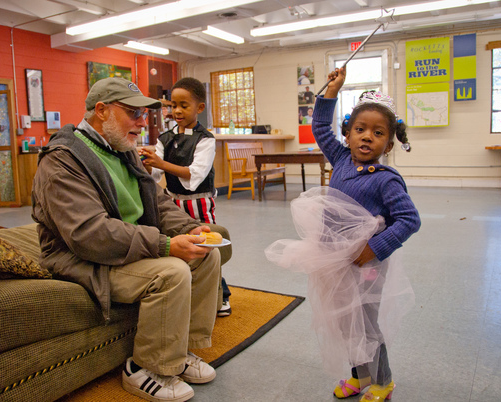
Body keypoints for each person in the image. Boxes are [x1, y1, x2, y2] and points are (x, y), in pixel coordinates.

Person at [31, 77, 221, 402]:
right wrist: (164, 245)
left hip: (126, 247)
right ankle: (146, 369)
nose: (141, 122)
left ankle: (179, 350)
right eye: (133, 113)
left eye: (143, 114)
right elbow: (89, 234)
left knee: (207, 254)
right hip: (85, 258)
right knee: (173, 271)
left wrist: (189, 228)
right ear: (102, 111)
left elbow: (158, 203)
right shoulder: (62, 160)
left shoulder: (123, 150)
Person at [265, 67, 420, 402]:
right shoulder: (341, 159)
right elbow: (319, 127)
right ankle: (360, 376)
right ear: (348, 135)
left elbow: (409, 220)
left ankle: (382, 381)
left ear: (388, 143)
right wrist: (331, 91)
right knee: (342, 322)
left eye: (377, 133)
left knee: (365, 325)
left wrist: (374, 248)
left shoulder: (386, 179)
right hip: (334, 261)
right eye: (360, 129)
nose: (366, 137)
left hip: (367, 266)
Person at [140, 77, 232, 317]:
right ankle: (189, 290)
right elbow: (156, 172)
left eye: (184, 105)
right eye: (173, 105)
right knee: (180, 246)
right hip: (171, 202)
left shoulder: (205, 139)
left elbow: (195, 174)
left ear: (199, 108)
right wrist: (146, 163)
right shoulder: (164, 138)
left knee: (207, 246)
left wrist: (161, 162)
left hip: (199, 201)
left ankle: (222, 295)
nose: (177, 111)